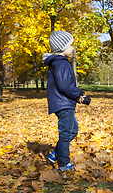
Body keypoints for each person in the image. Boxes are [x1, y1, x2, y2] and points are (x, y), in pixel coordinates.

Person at [42, 30, 86, 171]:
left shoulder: (60, 63)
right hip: (63, 105)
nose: (72, 48)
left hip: (64, 102)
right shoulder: (61, 64)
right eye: (71, 45)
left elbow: (65, 85)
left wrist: (77, 95)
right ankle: (64, 164)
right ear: (62, 48)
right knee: (66, 133)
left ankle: (56, 153)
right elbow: (65, 85)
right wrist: (78, 94)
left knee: (73, 130)